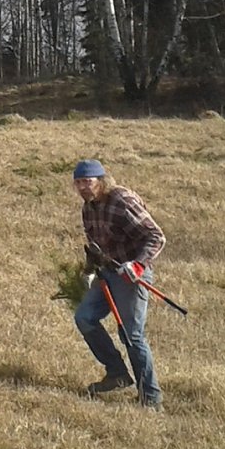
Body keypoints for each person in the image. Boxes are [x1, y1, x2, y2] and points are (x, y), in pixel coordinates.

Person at [72, 159, 166, 411]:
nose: (83, 187)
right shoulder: (88, 207)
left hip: (132, 276)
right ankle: (117, 373)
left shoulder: (122, 201)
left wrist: (137, 265)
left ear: (101, 181)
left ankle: (151, 397)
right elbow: (95, 246)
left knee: (131, 335)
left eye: (87, 182)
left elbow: (156, 236)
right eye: (78, 182)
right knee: (84, 318)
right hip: (107, 273)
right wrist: (89, 270)